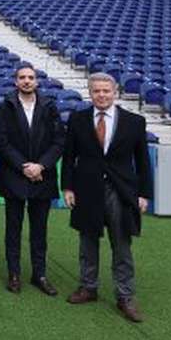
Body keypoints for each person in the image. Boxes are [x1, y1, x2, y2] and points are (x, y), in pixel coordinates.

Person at [63, 73, 153, 323]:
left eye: (106, 91)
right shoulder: (78, 119)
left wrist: (144, 193)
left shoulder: (135, 122)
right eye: (96, 91)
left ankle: (125, 296)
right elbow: (69, 157)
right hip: (86, 189)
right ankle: (88, 287)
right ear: (90, 93)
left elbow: (143, 161)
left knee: (121, 243)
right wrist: (67, 188)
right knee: (87, 241)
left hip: (121, 190)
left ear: (115, 92)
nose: (101, 95)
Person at [0, 63, 65, 296]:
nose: (26, 81)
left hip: (42, 176)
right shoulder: (5, 106)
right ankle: (14, 274)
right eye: (22, 77)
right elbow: (3, 142)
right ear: (16, 81)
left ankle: (39, 274)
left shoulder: (49, 106)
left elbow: (59, 141)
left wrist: (41, 165)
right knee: (13, 229)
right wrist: (24, 166)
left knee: (39, 230)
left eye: (30, 77)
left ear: (36, 81)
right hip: (14, 175)